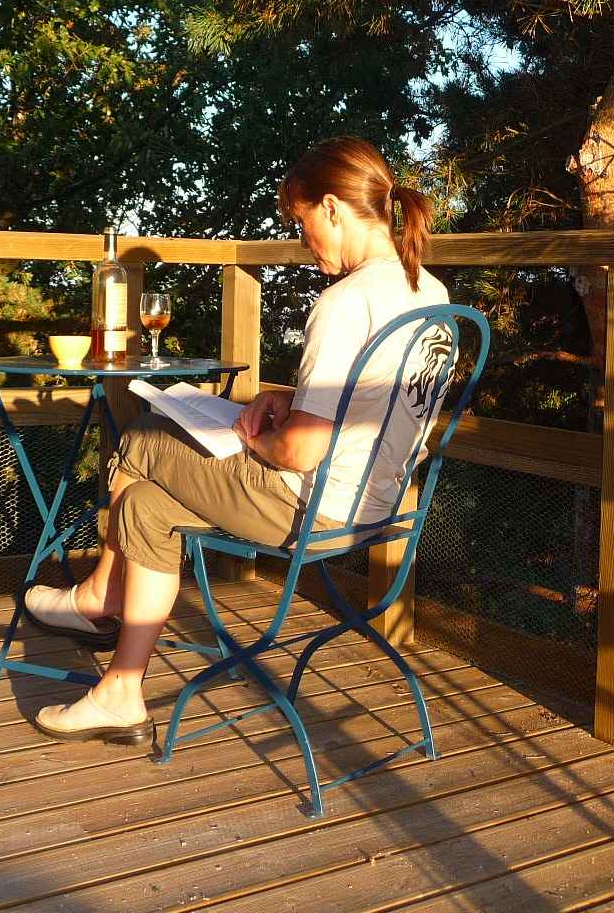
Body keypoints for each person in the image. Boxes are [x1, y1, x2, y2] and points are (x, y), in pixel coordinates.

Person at [22, 137, 449, 743]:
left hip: (308, 508)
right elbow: (371, 400)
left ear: (331, 207)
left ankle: (96, 594)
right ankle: (121, 689)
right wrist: (283, 400)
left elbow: (300, 452)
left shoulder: (345, 302)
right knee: (146, 506)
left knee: (142, 437)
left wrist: (250, 439)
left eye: (301, 225)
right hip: (379, 506)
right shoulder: (428, 292)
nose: (304, 245)